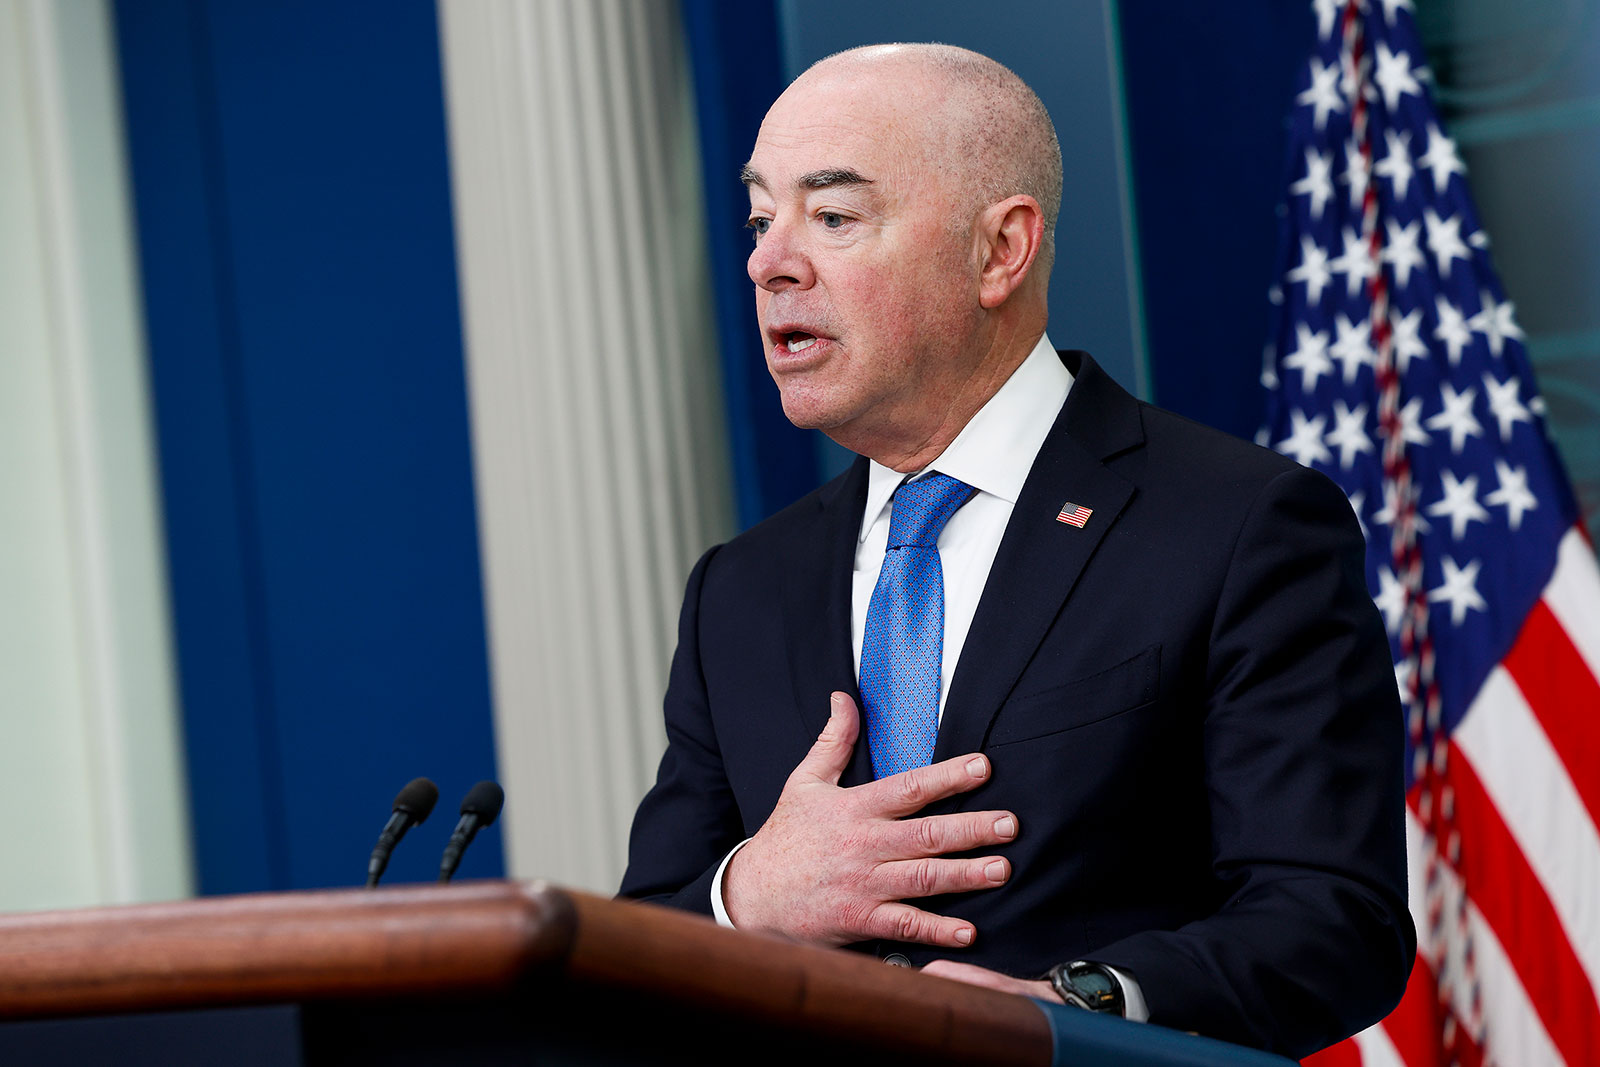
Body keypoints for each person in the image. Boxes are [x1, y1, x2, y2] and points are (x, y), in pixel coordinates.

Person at [619, 43, 1414, 1058]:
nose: (769, 260)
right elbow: (638, 944)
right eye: (760, 217)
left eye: (832, 216)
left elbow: (1329, 917)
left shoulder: (1237, 524)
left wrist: (1069, 1006)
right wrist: (750, 895)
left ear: (1000, 249)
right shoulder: (740, 589)